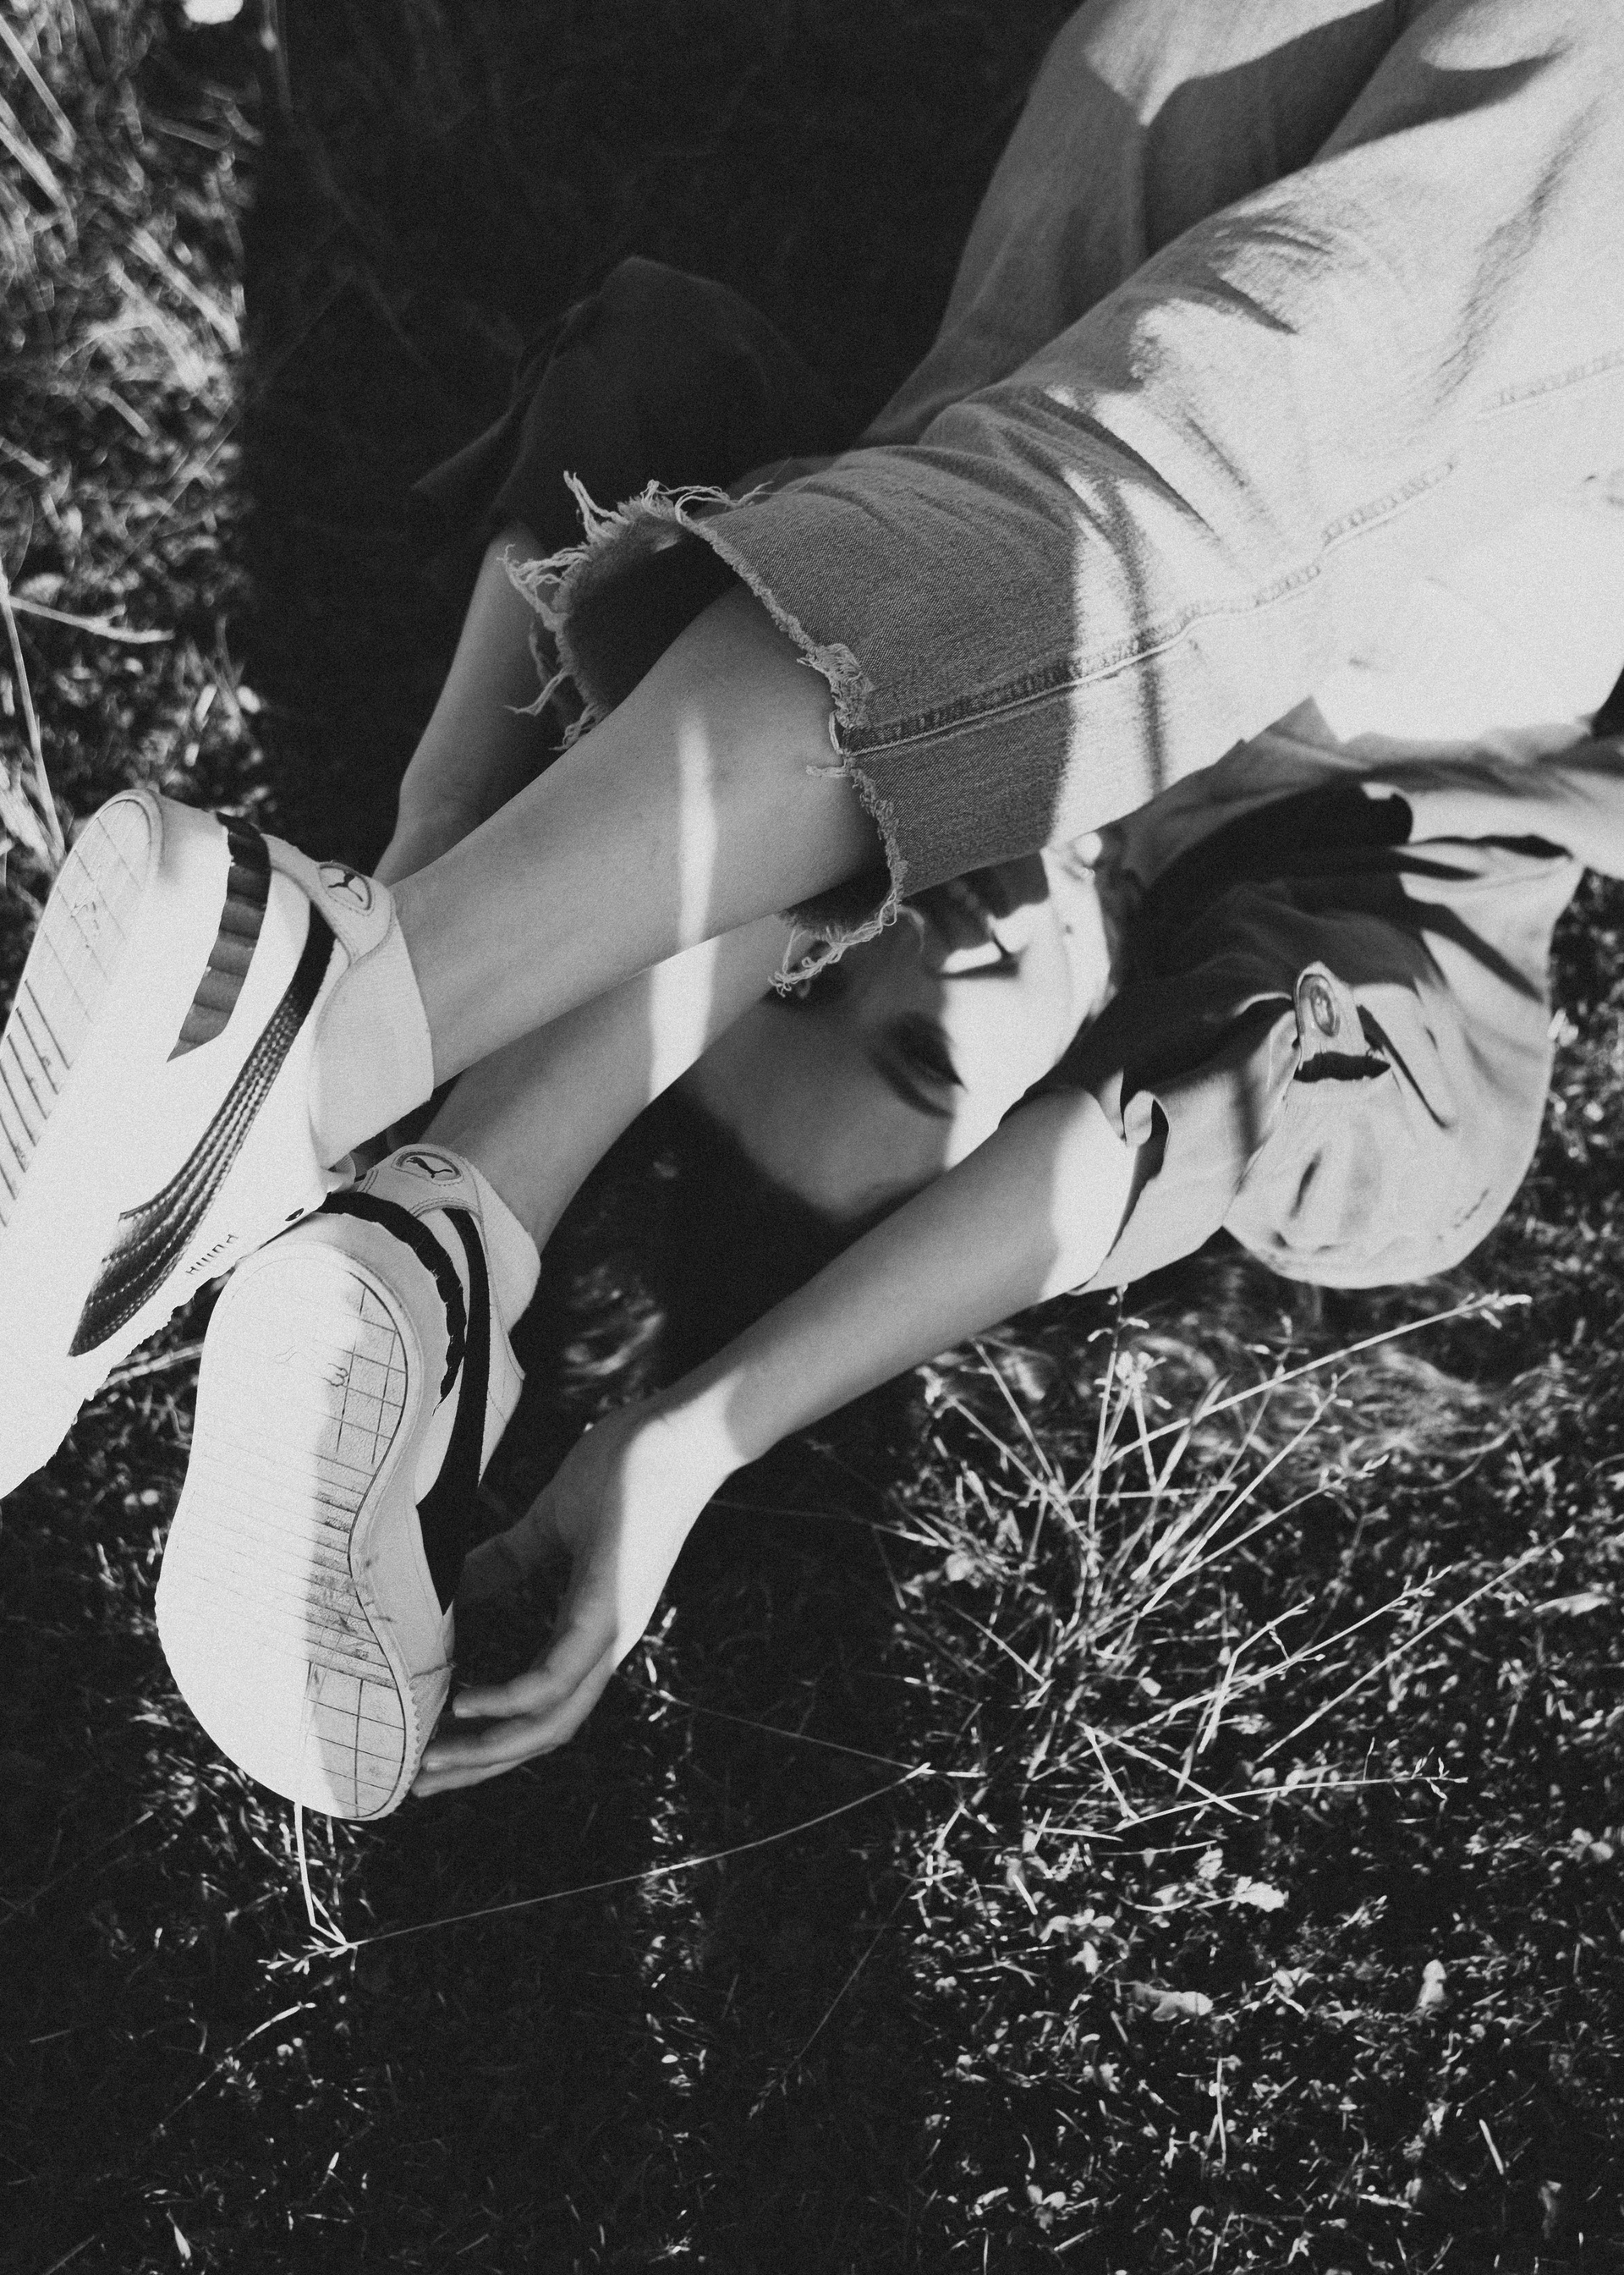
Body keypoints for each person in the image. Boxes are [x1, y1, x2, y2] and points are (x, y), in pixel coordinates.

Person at [2, 0, 1622, 1821]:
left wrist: (432, 833)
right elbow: (1232, 1110)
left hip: (1211, 134)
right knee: (1087, 564)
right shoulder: (1344, 901)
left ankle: (400, 1096)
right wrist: (694, 1439)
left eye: (812, 989)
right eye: (925, 1055)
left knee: (953, 570)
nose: (934, 956)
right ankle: (408, 1166)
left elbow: (650, 382)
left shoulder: (949, 581)